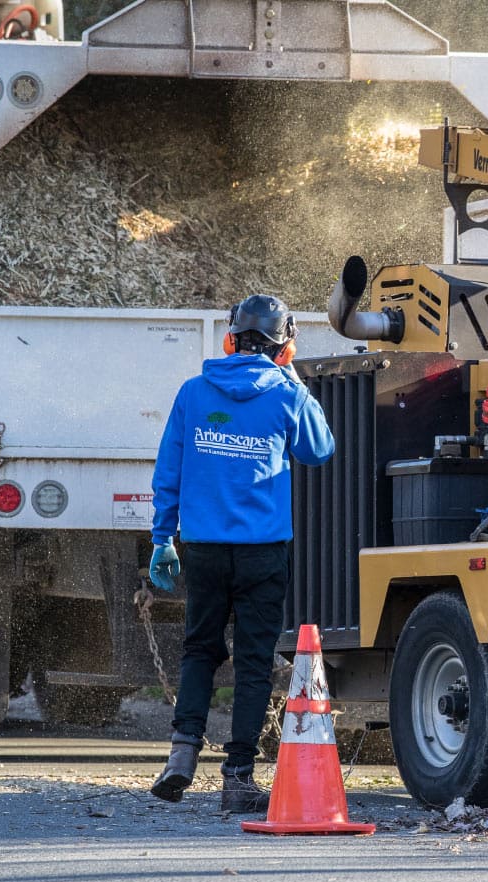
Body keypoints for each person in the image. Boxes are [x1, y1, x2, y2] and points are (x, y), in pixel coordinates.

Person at [147, 294, 335, 812]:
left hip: (202, 547)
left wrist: (163, 539)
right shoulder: (285, 394)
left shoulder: (192, 393)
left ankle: (181, 758)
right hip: (262, 552)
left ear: (230, 338)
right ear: (284, 347)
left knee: (200, 649)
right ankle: (237, 780)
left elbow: (169, 472)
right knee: (253, 663)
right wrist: (294, 379)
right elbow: (319, 451)